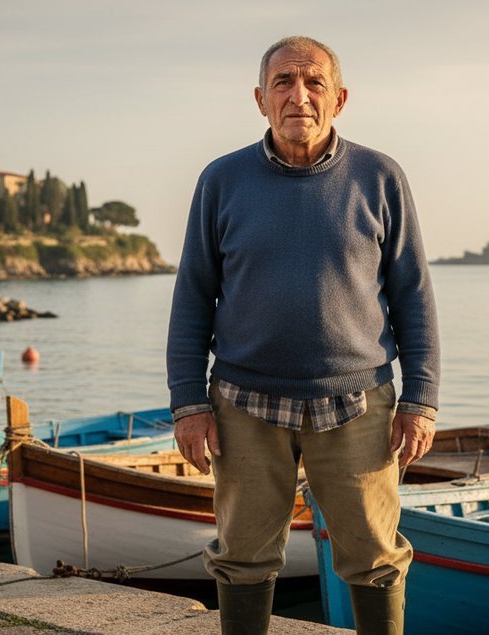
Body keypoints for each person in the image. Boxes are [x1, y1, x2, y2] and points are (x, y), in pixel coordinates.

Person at [167, 35, 439, 635]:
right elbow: (192, 296)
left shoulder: (380, 177)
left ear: (338, 99)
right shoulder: (221, 180)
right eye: (284, 83)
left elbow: (413, 293)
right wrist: (188, 403)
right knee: (241, 559)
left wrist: (420, 400)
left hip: (358, 403)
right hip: (243, 404)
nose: (299, 95)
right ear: (261, 99)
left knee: (374, 559)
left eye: (313, 82)